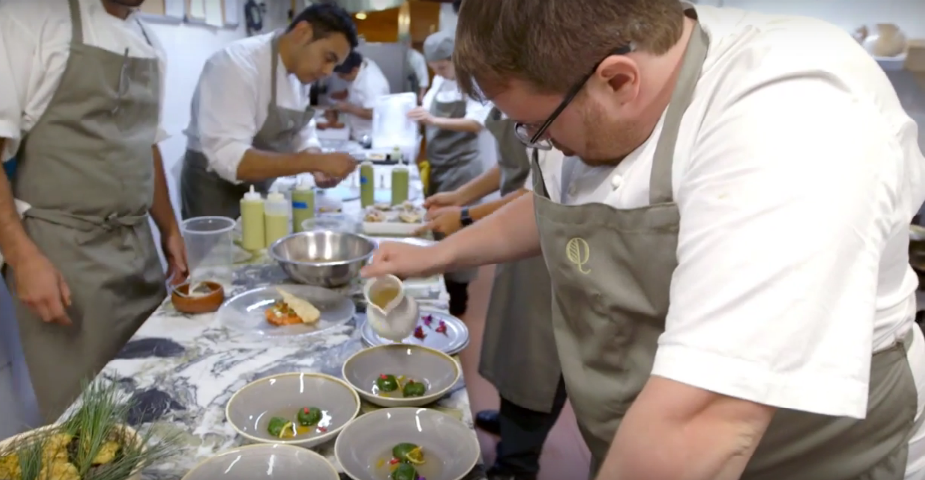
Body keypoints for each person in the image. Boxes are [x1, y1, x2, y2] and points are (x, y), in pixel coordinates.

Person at [364, 1, 925, 479]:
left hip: (794, 457)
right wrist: (437, 253)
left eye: (537, 128)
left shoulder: (793, 112)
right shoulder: (591, 99)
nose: (538, 143)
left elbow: (708, 418)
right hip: (648, 436)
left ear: (618, 80)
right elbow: (559, 204)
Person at [0, 0, 187, 422]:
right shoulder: (18, 19)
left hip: (137, 246)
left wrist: (169, 229)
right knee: (87, 420)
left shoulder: (146, 39)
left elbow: (146, 143)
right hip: (61, 251)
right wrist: (24, 257)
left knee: (157, 392)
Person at [421, 108, 565, 480]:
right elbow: (513, 164)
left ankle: (517, 463)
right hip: (516, 237)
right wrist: (460, 196)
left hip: (548, 243)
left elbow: (538, 189)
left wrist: (467, 215)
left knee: (538, 361)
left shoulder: (553, 99)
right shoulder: (515, 101)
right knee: (511, 340)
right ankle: (508, 419)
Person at [181, 3, 359, 219]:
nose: (328, 71)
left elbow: (302, 130)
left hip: (261, 190)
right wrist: (313, 162)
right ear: (302, 32)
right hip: (216, 194)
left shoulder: (302, 72)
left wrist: (316, 159)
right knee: (220, 253)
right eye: (328, 58)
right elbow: (230, 157)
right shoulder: (236, 64)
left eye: (335, 65)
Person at [409, 31, 490, 316]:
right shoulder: (440, 81)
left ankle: (458, 300)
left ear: (456, 59)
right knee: (441, 230)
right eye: (434, 68)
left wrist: (432, 119)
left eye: (443, 67)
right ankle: (440, 287)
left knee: (460, 231)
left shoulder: (472, 82)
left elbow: (475, 124)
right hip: (441, 165)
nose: (439, 73)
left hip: (462, 169)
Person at [331, 51, 391, 141]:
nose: (340, 77)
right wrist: (345, 93)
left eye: (342, 75)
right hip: (356, 128)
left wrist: (349, 108)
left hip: (370, 135)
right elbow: (355, 85)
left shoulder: (372, 84)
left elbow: (373, 113)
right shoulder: (362, 64)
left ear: (354, 70)